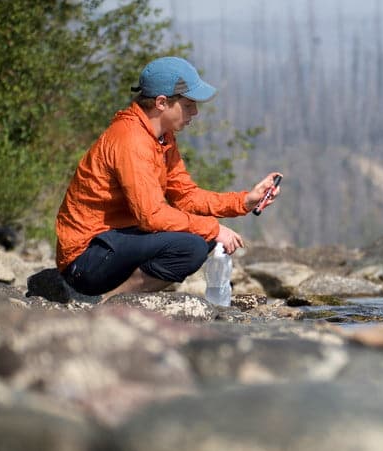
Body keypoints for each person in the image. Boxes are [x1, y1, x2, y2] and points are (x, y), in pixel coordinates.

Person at [55, 56, 281, 299]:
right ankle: (109, 304)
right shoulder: (131, 140)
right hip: (84, 259)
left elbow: (186, 196)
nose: (195, 112)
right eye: (188, 105)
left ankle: (119, 299)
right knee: (192, 246)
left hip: (114, 244)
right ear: (161, 102)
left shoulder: (162, 137)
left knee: (199, 238)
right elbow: (151, 216)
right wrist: (213, 229)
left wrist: (245, 200)